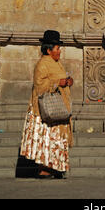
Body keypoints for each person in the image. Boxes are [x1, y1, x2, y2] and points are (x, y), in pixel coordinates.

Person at [20, 30, 74, 178]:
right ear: (49, 50)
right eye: (57, 48)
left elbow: (61, 79)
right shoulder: (42, 64)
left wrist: (68, 81)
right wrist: (58, 82)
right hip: (46, 111)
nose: (60, 51)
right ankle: (44, 168)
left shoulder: (56, 63)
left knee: (55, 140)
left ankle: (55, 167)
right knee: (47, 139)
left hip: (58, 109)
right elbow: (40, 85)